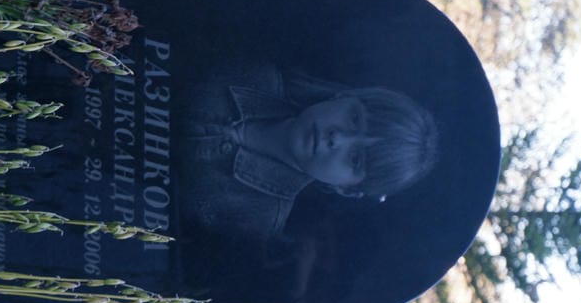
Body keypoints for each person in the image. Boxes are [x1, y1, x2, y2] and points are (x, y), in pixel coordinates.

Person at [176, 64, 440, 245]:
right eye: (354, 119)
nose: (337, 138)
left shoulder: (256, 221)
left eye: (355, 158)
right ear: (344, 96)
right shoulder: (252, 71)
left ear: (347, 189)